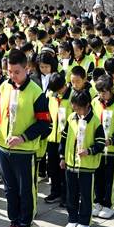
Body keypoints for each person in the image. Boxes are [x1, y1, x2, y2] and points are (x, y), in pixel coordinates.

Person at [0, 49, 51, 227]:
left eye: (16, 72)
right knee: (9, 188)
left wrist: (23, 137)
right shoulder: (4, 87)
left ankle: (25, 223)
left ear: (27, 69)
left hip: (24, 150)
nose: (12, 76)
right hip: (3, 147)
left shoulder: (36, 92)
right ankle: (13, 220)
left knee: (26, 189)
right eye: (9, 71)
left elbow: (44, 124)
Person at [59, 90, 105, 227]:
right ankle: (72, 219)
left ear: (87, 105)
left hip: (87, 165)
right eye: (74, 107)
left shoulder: (95, 121)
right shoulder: (71, 118)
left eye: (78, 108)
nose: (76, 111)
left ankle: (85, 223)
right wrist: (62, 157)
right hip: (70, 163)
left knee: (86, 195)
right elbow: (64, 138)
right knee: (71, 194)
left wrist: (89, 151)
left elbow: (101, 143)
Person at [91, 75, 114, 220]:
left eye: (104, 92)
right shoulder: (94, 103)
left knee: (110, 179)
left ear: (111, 90)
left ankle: (108, 205)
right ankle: (97, 201)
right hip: (97, 149)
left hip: (111, 151)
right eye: (99, 92)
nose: (101, 95)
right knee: (97, 177)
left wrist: (112, 140)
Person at [45, 72, 72, 206]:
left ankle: (66, 195)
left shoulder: (72, 97)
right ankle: (55, 192)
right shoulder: (51, 96)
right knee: (52, 168)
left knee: (64, 169)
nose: (57, 92)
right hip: (52, 138)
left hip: (65, 139)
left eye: (58, 89)